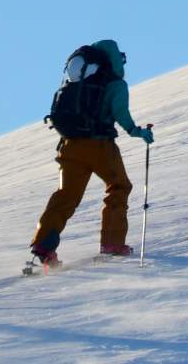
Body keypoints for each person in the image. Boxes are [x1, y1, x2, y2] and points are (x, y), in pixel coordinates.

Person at [30, 39, 154, 267]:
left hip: (70, 145)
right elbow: (120, 113)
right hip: (100, 145)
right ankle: (112, 243)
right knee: (119, 186)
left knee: (66, 196)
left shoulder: (76, 82)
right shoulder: (114, 84)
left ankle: (43, 245)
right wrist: (138, 132)